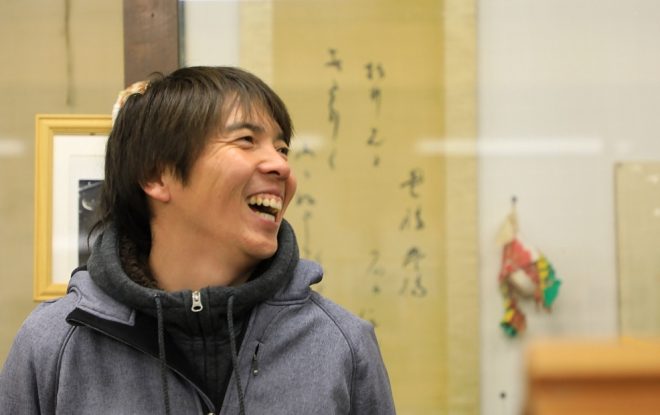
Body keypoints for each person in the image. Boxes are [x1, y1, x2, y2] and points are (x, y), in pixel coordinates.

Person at [0, 66, 395, 414]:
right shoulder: (55, 343)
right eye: (246, 140)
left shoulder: (342, 343)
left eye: (282, 148)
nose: (281, 165)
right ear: (156, 175)